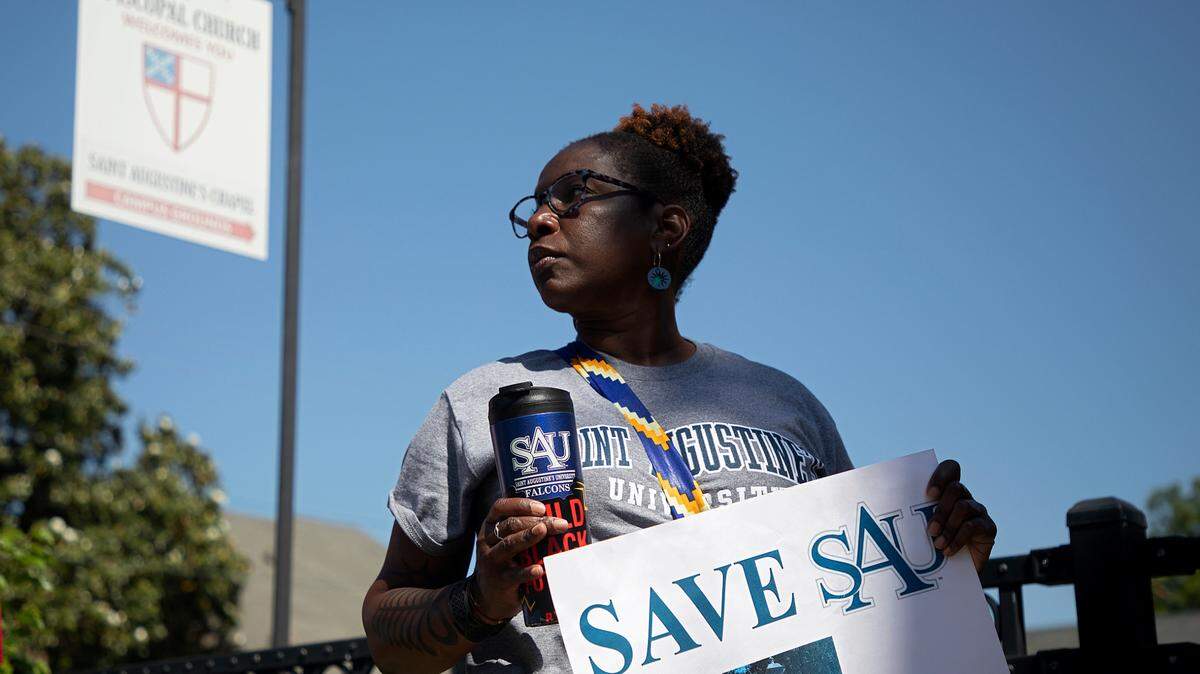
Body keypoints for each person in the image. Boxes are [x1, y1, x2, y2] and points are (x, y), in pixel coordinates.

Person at [361, 103, 998, 673]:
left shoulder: (787, 406)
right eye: (534, 207)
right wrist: (480, 600)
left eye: (572, 196)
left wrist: (942, 562)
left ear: (666, 227)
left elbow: (859, 612)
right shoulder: (488, 400)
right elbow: (387, 631)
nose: (540, 222)